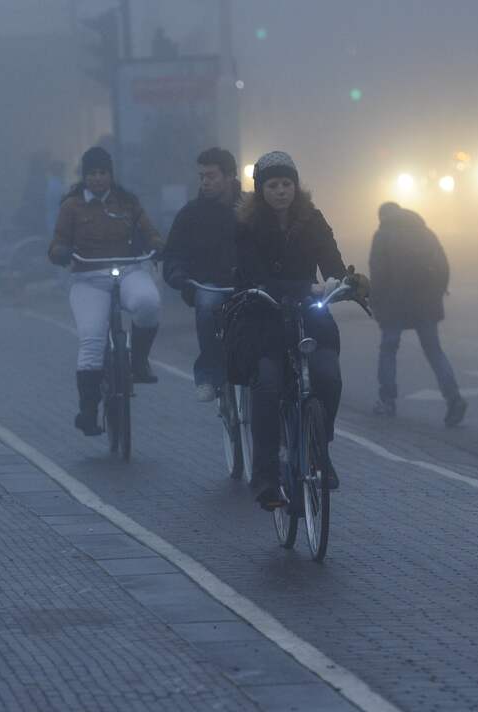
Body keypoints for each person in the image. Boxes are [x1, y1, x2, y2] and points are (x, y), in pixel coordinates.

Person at [233, 151, 368, 509]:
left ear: (297, 186)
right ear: (260, 190)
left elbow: (332, 263)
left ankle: (318, 447)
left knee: (328, 377)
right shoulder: (246, 226)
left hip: (310, 316)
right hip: (265, 316)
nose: (281, 191)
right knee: (267, 385)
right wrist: (303, 288)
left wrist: (344, 282)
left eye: (287, 184)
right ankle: (265, 477)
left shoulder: (313, 219)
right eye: (273, 185)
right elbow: (253, 276)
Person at [48, 146, 164, 436]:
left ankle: (138, 361)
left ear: (110, 175)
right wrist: (61, 253)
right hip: (88, 278)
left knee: (148, 302)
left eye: (102, 173)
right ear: (84, 176)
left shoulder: (128, 202)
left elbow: (151, 232)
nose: (97, 179)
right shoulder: (71, 206)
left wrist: (158, 245)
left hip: (128, 270)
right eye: (92, 173)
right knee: (92, 340)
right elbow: (57, 242)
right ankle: (88, 411)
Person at [369, 202, 467, 426]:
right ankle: (454, 398)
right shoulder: (426, 233)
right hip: (426, 304)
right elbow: (443, 267)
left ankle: (387, 400)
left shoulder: (383, 234)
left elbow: (378, 272)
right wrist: (438, 293)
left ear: (383, 216)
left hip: (394, 305)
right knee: (434, 351)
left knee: (388, 349)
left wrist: (375, 303)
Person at [163, 147, 242, 401]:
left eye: (211, 176)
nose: (205, 182)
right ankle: (207, 374)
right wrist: (177, 273)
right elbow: (173, 253)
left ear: (230, 176)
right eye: (202, 177)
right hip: (209, 285)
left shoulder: (251, 209)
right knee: (207, 307)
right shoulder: (190, 214)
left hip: (246, 282)